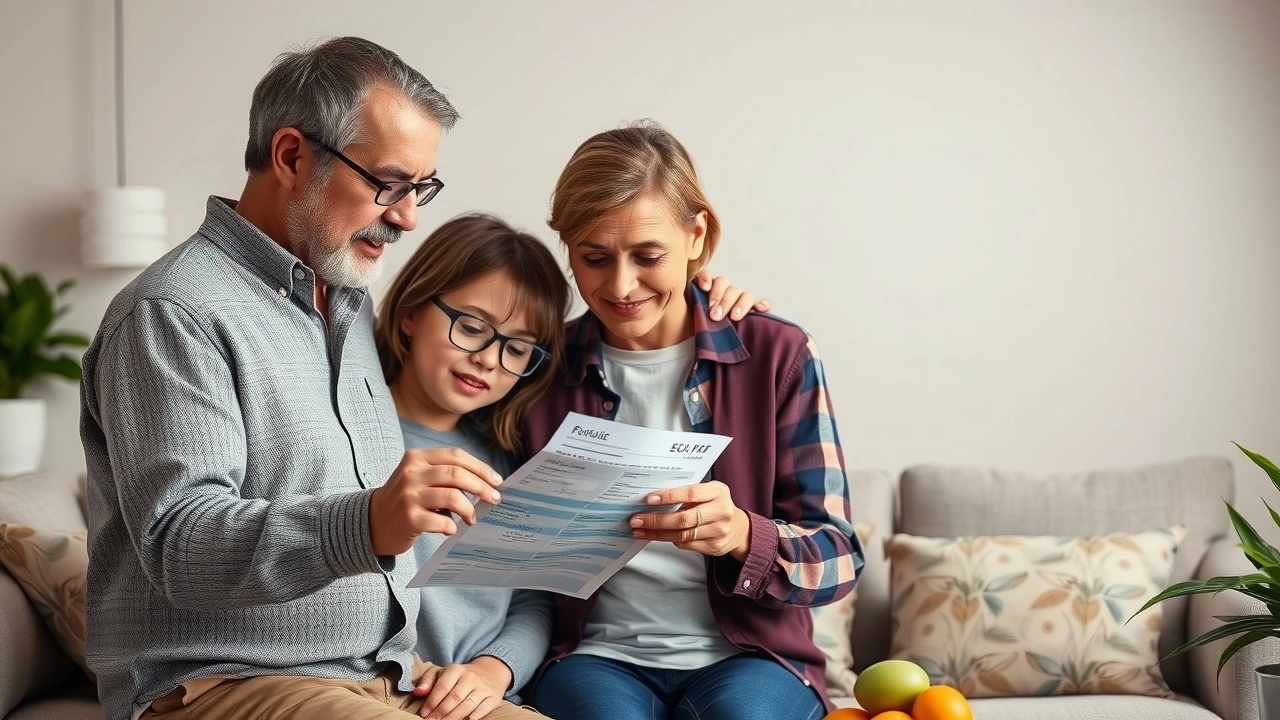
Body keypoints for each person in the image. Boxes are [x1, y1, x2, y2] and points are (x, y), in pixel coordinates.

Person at [79, 36, 760, 720]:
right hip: (223, 681)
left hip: (381, 676)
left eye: (420, 190)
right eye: (388, 184)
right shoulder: (175, 311)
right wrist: (370, 519)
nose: (406, 215)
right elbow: (181, 544)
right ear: (291, 156)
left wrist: (699, 292)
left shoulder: (341, 304)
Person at [522, 121, 865, 720]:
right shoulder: (538, 372)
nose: (621, 285)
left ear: (696, 233)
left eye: (648, 256)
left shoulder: (779, 355)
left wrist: (742, 535)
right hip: (593, 657)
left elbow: (840, 556)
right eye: (593, 258)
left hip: (754, 658)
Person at [372, 214, 569, 719]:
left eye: (518, 348)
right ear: (412, 311)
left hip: (485, 697)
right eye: (473, 327)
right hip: (389, 688)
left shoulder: (510, 463)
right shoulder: (356, 434)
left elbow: (532, 601)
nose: (488, 358)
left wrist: (492, 670)